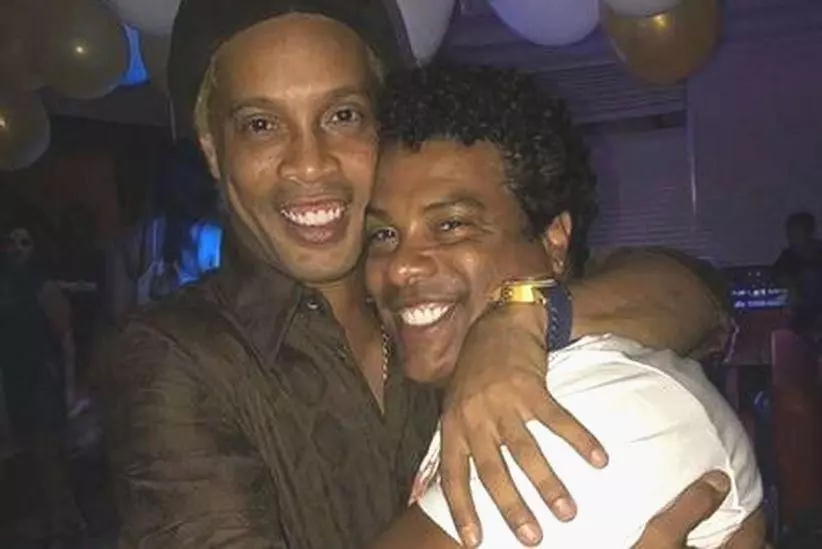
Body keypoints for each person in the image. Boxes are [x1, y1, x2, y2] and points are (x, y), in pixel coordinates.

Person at [96, 1, 744, 548]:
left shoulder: (437, 297)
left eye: (342, 115)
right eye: (261, 126)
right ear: (215, 151)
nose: (309, 163)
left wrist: (526, 317)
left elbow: (699, 298)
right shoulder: (176, 354)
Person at [364, 64, 765, 548]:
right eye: (383, 234)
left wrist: (523, 311)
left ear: (554, 239)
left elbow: (696, 292)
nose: (401, 267)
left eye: (451, 225)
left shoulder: (597, 407)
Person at [0, 226, 85, 545]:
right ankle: (62, 521)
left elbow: (66, 339)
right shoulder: (6, 285)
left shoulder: (43, 286)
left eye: (24, 242)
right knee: (36, 458)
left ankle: (66, 524)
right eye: (10, 242)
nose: (16, 248)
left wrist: (69, 387)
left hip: (42, 381)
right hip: (16, 381)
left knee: (49, 455)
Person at [773, 211, 822, 335]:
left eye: (796, 233)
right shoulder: (787, 256)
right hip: (797, 313)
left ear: (808, 233)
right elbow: (775, 278)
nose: (792, 238)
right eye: (790, 233)